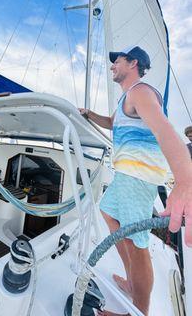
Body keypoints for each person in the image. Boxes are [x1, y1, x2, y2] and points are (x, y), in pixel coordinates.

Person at [79, 46, 192, 316]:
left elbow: (164, 129)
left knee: (137, 242)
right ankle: (133, 282)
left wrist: (185, 181)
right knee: (107, 212)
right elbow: (111, 121)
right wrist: (89, 115)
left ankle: (139, 310)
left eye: (116, 61)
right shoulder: (126, 100)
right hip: (125, 175)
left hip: (138, 177)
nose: (112, 66)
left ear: (133, 63)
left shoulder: (141, 92)